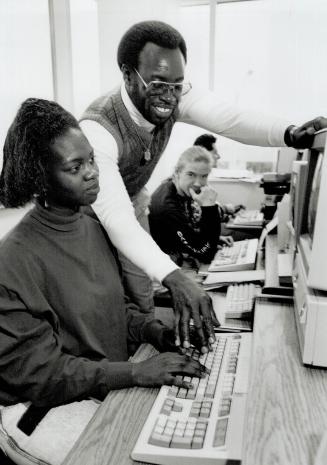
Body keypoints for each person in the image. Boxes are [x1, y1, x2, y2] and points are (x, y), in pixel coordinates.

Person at [79, 20, 327, 353]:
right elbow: (114, 215)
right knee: (101, 297)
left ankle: (139, 359)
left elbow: (231, 118)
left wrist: (289, 132)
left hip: (132, 198)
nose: (169, 96)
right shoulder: (99, 127)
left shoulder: (175, 93)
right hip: (89, 211)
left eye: (177, 85)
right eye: (158, 84)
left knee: (140, 291)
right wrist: (174, 275)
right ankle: (109, 372)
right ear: (126, 74)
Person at [0, 98, 207, 408]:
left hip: (106, 383)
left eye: (92, 160)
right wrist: (136, 372)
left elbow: (113, 310)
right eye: (75, 167)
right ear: (40, 179)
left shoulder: (93, 229)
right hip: (51, 406)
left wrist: (157, 332)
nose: (92, 173)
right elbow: (39, 375)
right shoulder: (14, 261)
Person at [149, 146, 233, 268]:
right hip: (165, 271)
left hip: (179, 258)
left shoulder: (179, 190)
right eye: (191, 174)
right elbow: (206, 254)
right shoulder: (167, 208)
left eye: (204, 176)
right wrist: (209, 207)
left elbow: (190, 234)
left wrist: (214, 240)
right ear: (177, 173)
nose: (198, 183)